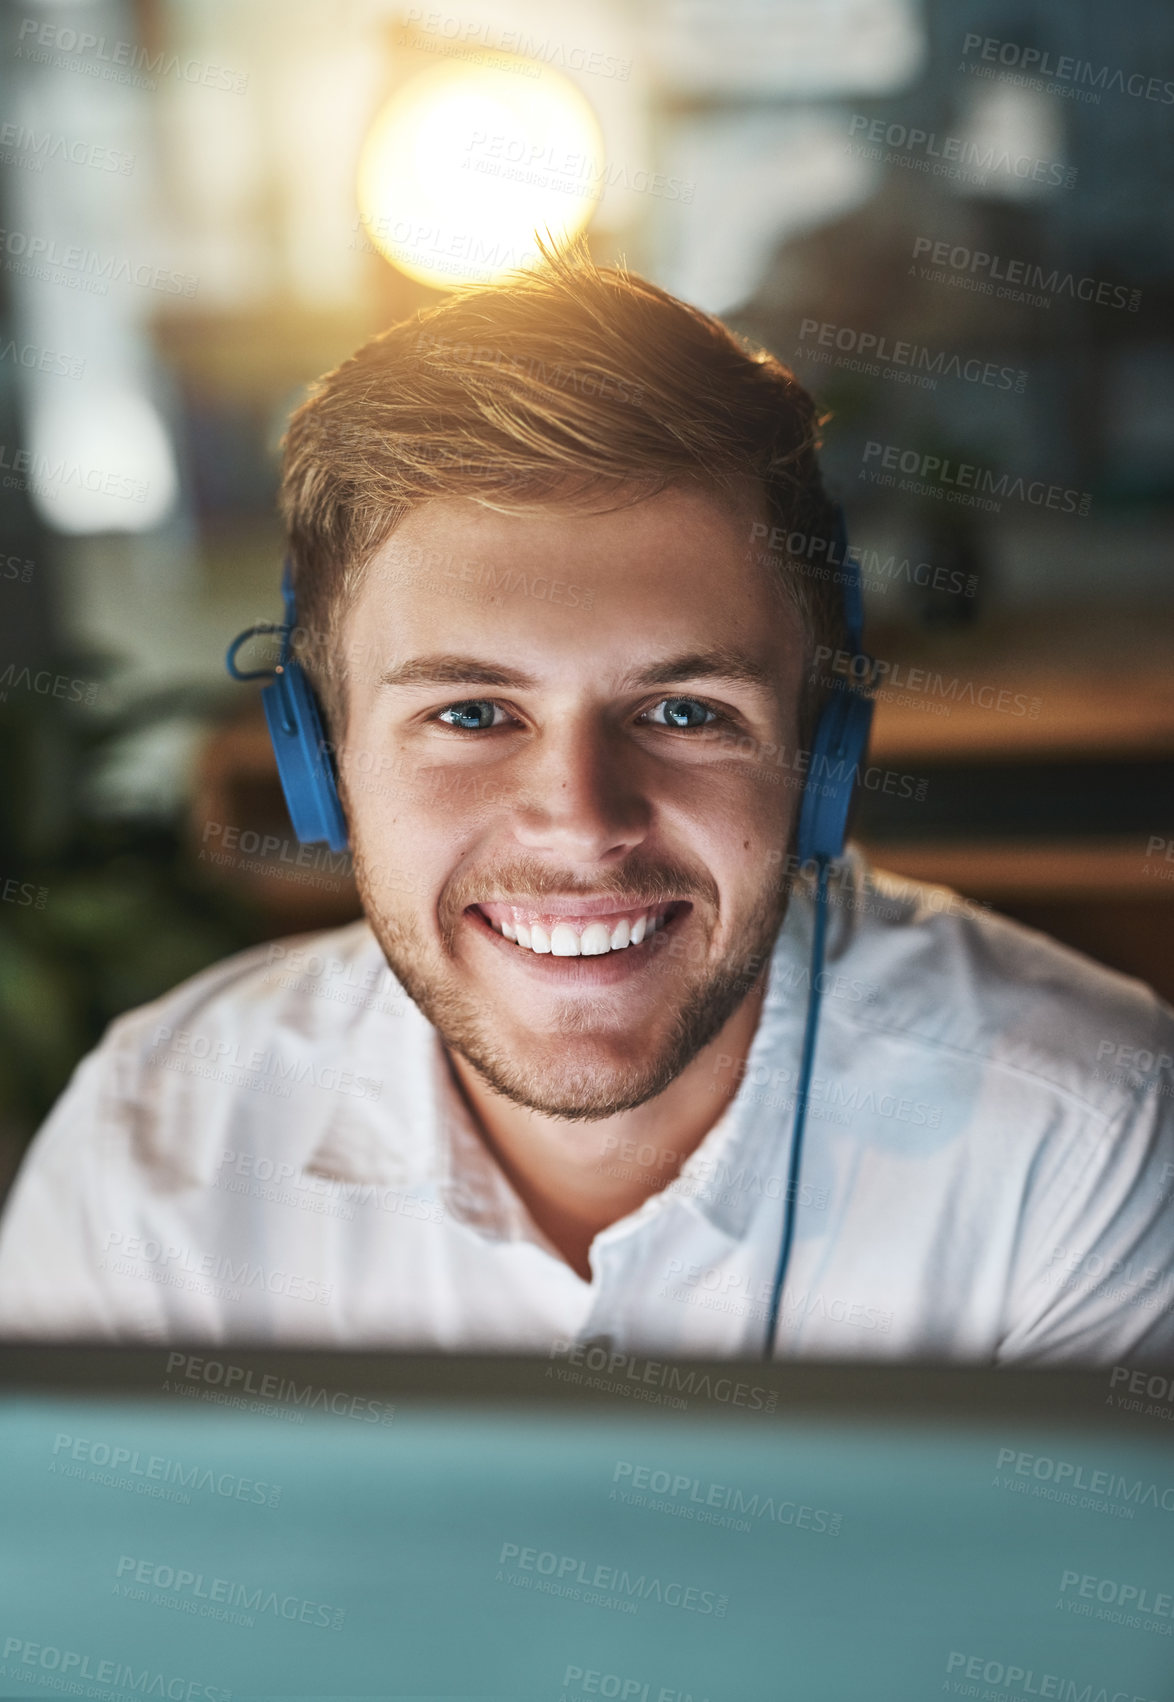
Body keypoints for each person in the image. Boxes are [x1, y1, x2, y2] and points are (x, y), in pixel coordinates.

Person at [1, 244, 1171, 1364]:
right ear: (322, 760)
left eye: (683, 712)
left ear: (822, 756)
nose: (581, 820)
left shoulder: (1088, 1146)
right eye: (470, 714)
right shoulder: (149, 1143)